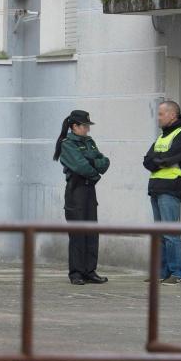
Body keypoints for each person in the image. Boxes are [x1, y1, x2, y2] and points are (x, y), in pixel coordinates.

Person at [53, 110, 110, 285]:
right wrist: (94, 170)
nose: (87, 130)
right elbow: (80, 167)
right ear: (74, 126)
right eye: (85, 126)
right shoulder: (67, 144)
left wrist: (91, 164)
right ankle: (76, 273)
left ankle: (89, 271)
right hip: (76, 190)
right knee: (78, 232)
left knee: (91, 231)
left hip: (89, 190)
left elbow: (105, 161)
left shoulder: (89, 142)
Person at [144, 101, 181, 285]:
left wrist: (158, 161)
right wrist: (158, 161)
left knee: (170, 233)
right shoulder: (162, 137)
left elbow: (171, 158)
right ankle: (161, 272)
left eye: (161, 114)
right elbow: (147, 160)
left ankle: (178, 272)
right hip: (156, 188)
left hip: (171, 188)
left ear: (172, 115)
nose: (158, 117)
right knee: (160, 234)